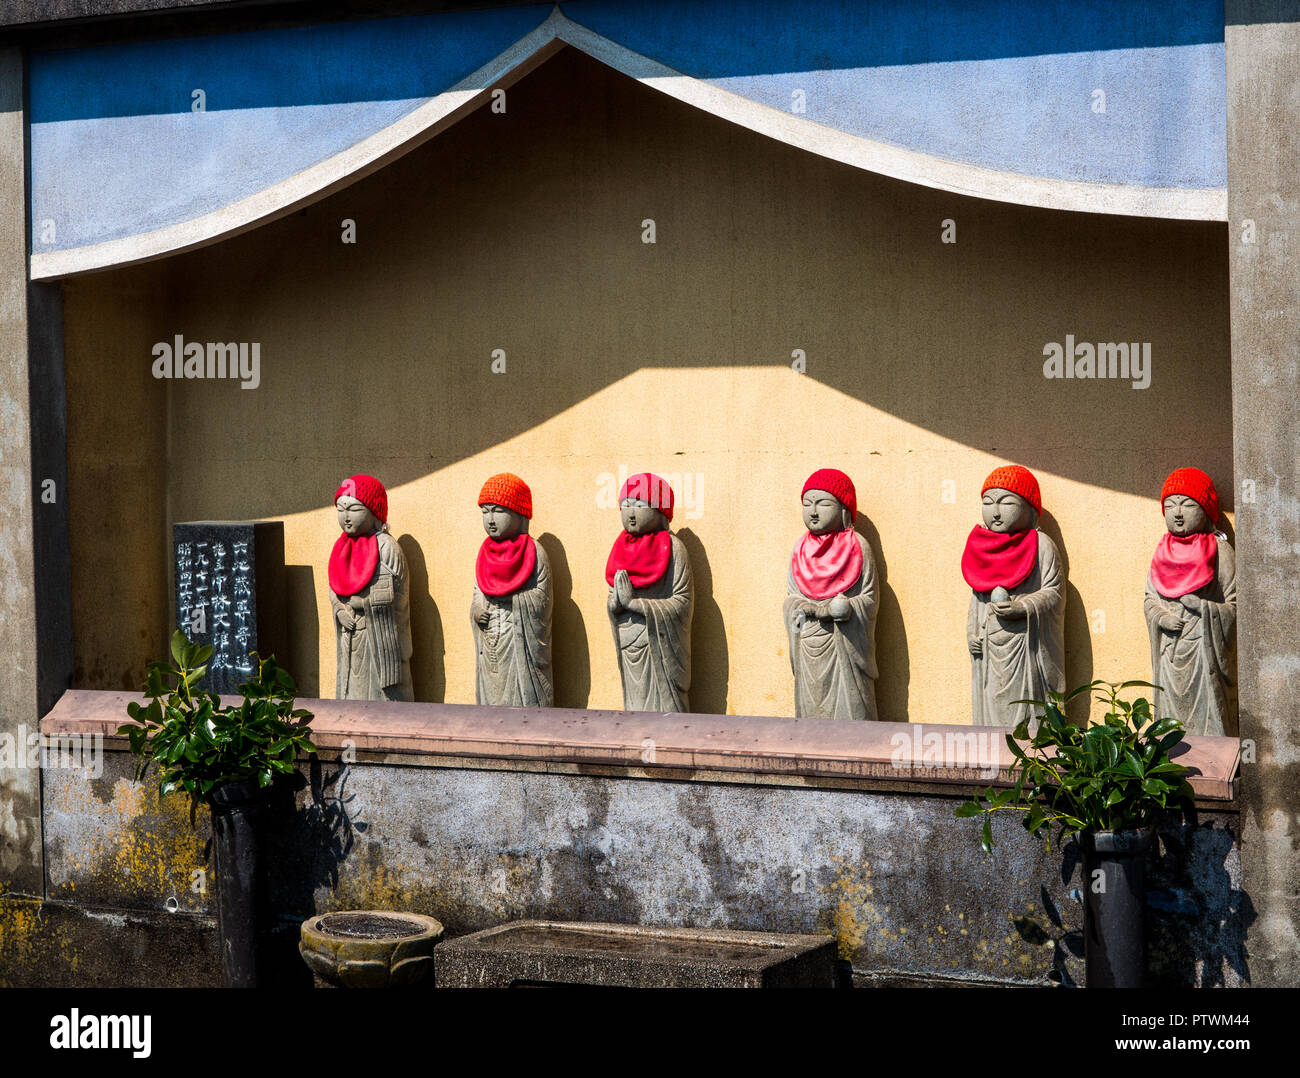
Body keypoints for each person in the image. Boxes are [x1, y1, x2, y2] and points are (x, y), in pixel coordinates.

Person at [962, 465, 1065, 727]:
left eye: (1006, 502)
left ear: (1030, 508)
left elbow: (1054, 593)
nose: (995, 512)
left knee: (1028, 713)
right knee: (992, 712)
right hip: (989, 647)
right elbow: (978, 597)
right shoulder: (981, 548)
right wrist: (972, 633)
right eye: (988, 502)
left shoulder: (1041, 544)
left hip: (1025, 645)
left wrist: (1024, 607)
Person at [1144, 467, 1237, 736]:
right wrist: (1161, 617)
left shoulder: (1219, 550)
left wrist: (1203, 608)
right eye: (1170, 505)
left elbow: (1235, 607)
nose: (1178, 513)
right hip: (1169, 652)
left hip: (1203, 650)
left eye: (1187, 504)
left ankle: (1213, 760)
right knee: (1170, 718)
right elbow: (1150, 599)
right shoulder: (1161, 552)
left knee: (1209, 715)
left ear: (1206, 510)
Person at [783, 468, 879, 721]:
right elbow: (791, 598)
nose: (813, 511)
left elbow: (869, 599)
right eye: (807, 503)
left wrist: (848, 608)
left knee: (851, 711)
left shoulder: (858, 546)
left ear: (844, 508)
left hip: (844, 643)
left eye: (823, 503)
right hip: (808, 643)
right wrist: (804, 608)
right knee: (811, 711)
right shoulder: (800, 549)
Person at [606, 472, 693, 712]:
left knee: (663, 711)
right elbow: (613, 598)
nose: (630, 513)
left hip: (660, 647)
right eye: (626, 505)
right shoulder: (621, 549)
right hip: (628, 643)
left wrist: (636, 604)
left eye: (639, 504)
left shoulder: (674, 548)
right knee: (634, 706)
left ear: (660, 509)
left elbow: (682, 603)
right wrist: (616, 604)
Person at [471, 473, 554, 707]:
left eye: (497, 510)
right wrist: (477, 611)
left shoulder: (535, 551)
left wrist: (511, 600)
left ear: (519, 513)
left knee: (520, 698)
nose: (490, 519)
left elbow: (542, 600)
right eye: (485, 511)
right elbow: (478, 591)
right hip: (492, 640)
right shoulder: (484, 552)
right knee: (492, 695)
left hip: (519, 641)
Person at [328, 474, 413, 701]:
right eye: (340, 508)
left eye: (354, 509)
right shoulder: (341, 546)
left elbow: (398, 595)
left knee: (378, 692)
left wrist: (363, 603)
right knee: (351, 689)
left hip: (378, 637)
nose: (346, 517)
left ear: (374, 512)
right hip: (350, 633)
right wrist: (338, 609)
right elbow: (334, 586)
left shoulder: (386, 546)